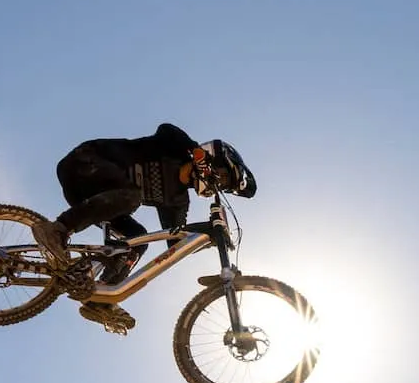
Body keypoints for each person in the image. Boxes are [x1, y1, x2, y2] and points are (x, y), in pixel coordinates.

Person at [31, 124, 256, 330]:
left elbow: (175, 243)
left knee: (137, 240)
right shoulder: (174, 149)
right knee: (132, 198)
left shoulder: (177, 201)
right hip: (85, 163)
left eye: (224, 186)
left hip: (96, 201)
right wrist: (194, 150)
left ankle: (100, 297)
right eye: (224, 178)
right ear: (214, 159)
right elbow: (167, 130)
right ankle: (57, 230)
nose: (218, 186)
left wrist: (209, 236)